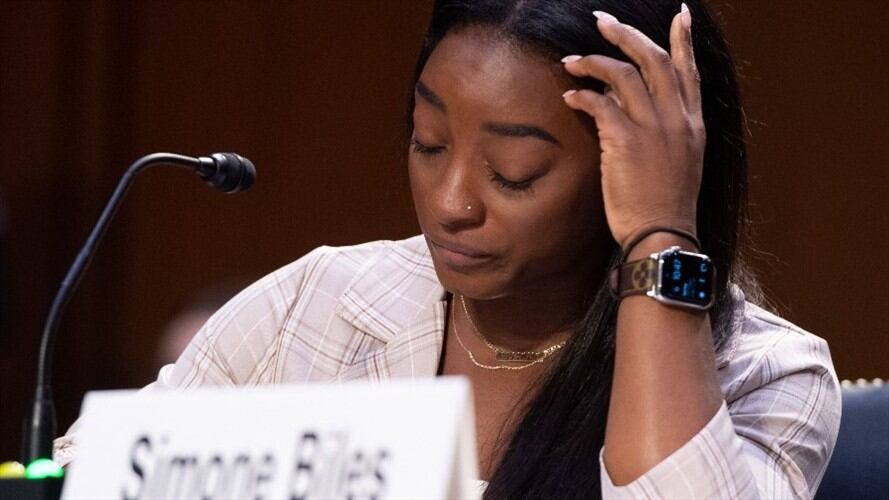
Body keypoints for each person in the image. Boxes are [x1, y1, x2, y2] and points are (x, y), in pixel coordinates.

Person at [55, 1, 841, 498]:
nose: (451, 203)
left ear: (636, 170)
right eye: (428, 144)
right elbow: (88, 474)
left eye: (513, 172)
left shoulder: (765, 374)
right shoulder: (318, 304)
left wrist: (660, 234)